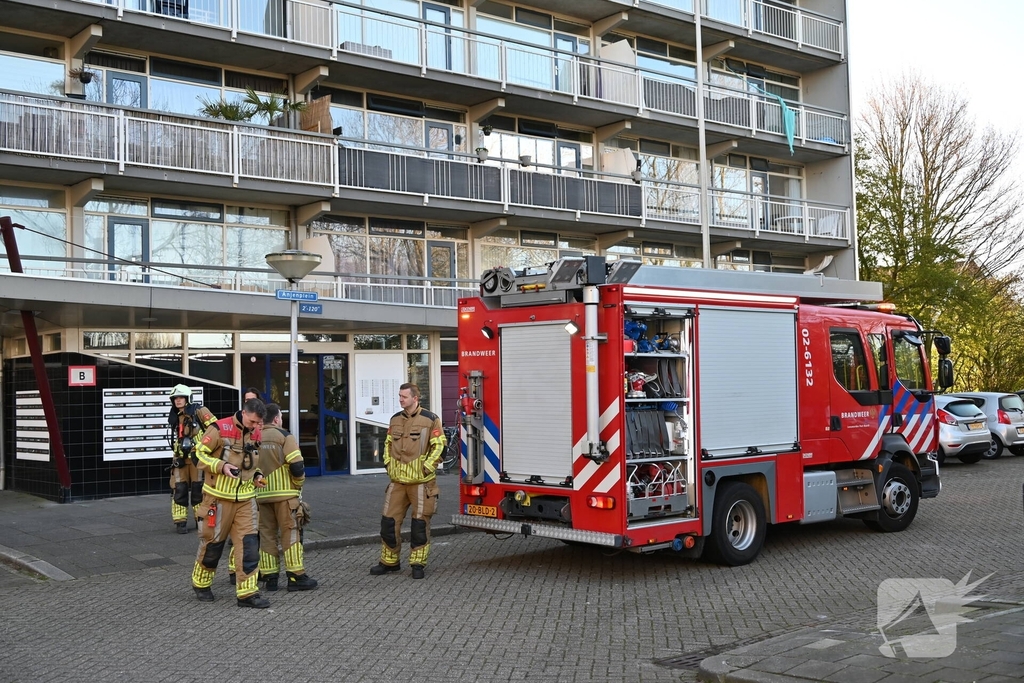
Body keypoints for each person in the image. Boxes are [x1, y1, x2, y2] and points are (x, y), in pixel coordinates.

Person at [190, 398, 271, 608]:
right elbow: (197, 454)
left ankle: (247, 594)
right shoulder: (219, 428)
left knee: (250, 546)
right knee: (212, 546)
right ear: (244, 413)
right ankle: (201, 584)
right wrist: (221, 466)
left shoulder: (256, 432)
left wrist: (257, 476)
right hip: (217, 498)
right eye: (253, 422)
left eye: (258, 424)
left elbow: (254, 463)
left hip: (246, 500)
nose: (256, 427)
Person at [370, 383, 445, 580]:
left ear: (415, 398)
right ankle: (389, 562)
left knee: (419, 525)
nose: (401, 399)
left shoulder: (430, 419)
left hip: (421, 483)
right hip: (397, 483)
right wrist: (387, 464)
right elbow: (387, 444)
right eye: (399, 396)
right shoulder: (395, 419)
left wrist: (426, 468)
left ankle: (417, 563)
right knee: (388, 522)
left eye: (404, 396)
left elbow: (439, 447)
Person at [256, 403, 317, 592]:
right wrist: (298, 485)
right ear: (276, 419)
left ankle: (270, 577)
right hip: (285, 496)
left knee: (266, 536)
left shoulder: (253, 437)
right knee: (290, 534)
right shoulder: (284, 436)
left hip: (261, 496)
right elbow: (297, 466)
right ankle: (296, 576)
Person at [167, 384, 217, 534]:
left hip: (198, 458)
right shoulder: (176, 415)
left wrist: (201, 445)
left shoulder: (200, 411)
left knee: (198, 490)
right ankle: (180, 522)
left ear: (188, 398)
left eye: (181, 397)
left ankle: (199, 518)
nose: (178, 400)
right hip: (181, 458)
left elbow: (215, 429)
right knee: (179, 489)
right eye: (175, 398)